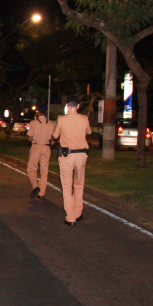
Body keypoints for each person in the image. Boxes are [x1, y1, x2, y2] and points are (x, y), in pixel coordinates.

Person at [53, 96, 92, 225]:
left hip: (67, 156)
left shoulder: (62, 119)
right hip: (81, 156)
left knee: (67, 186)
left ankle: (70, 217)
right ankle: (78, 212)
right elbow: (89, 132)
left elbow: (55, 135)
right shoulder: (84, 118)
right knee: (79, 184)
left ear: (67, 106)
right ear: (78, 106)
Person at [26, 109, 55, 200]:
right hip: (46, 148)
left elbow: (30, 138)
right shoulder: (51, 123)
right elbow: (54, 138)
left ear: (38, 113)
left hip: (36, 146)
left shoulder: (33, 123)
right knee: (44, 170)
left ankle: (35, 186)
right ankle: (42, 193)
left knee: (31, 168)